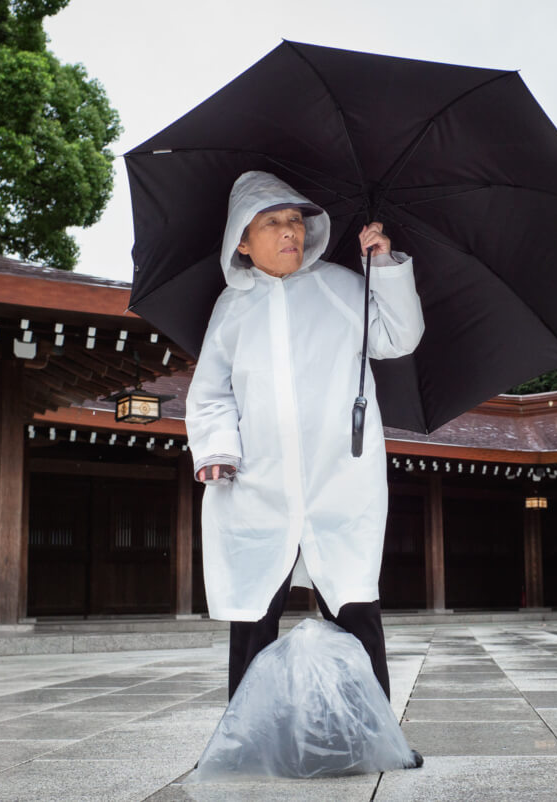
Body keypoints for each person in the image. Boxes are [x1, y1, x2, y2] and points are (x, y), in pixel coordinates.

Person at [185, 170, 424, 702]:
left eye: (295, 219)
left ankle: (373, 731)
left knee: (353, 601)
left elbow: (399, 336)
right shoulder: (230, 309)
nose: (289, 230)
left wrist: (380, 266)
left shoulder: (341, 286)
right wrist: (217, 449)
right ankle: (244, 734)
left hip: (338, 473)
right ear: (242, 242)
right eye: (272, 223)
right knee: (253, 611)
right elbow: (210, 393)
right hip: (257, 483)